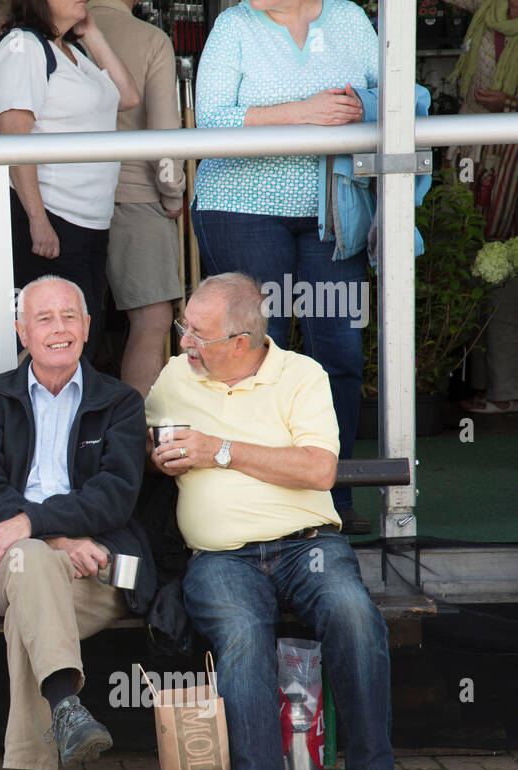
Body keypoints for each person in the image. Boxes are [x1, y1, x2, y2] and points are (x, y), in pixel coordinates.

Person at [145, 272, 402, 770]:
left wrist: (222, 451)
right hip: (219, 556)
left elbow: (319, 469)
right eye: (185, 327)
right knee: (240, 632)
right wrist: (159, 455)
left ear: (240, 343)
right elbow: (148, 435)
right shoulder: (174, 377)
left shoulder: (302, 375)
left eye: (197, 334)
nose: (184, 341)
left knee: (353, 614)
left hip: (307, 544)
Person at [0, 275, 149, 770]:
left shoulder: (120, 402)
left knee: (28, 612)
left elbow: (117, 493)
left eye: (70, 315)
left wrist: (37, 524)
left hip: (96, 570)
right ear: (22, 330)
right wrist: (52, 539)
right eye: (44, 318)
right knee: (30, 564)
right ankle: (65, 703)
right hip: (10, 563)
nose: (59, 328)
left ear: (89, 327)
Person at [191, 0, 379, 534]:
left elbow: (392, 96)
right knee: (254, 353)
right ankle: (254, 494)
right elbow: (211, 119)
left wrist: (358, 106)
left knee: (338, 352)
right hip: (240, 209)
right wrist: (303, 110)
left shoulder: (346, 18)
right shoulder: (234, 24)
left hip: (331, 214)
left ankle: (330, 495)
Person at [0, 0, 139, 364]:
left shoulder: (72, 51)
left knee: (80, 340)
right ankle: (28, 422)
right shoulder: (23, 47)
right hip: (53, 218)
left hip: (89, 221)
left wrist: (94, 33)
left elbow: (129, 96)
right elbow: (14, 136)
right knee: (48, 342)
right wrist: (37, 220)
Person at [91, 0, 185, 397]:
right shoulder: (151, 40)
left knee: (61, 324)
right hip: (136, 193)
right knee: (151, 320)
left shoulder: (54, 36)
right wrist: (172, 193)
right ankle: (133, 441)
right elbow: (163, 130)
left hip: (64, 198)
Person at [448, 0, 518, 414]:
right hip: (476, 155)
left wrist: (508, 106)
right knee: (478, 261)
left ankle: (503, 390)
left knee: (502, 266)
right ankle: (490, 386)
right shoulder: (487, 8)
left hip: (508, 161)